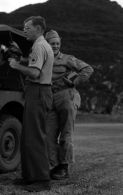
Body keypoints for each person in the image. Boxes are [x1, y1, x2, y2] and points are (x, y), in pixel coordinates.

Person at [9, 16, 54, 192]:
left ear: (38, 29)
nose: (24, 30)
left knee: (35, 137)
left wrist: (15, 65)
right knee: (28, 136)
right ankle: (29, 177)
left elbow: (35, 73)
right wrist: (21, 60)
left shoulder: (40, 47)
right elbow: (35, 64)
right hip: (37, 92)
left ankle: (42, 179)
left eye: (27, 27)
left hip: (38, 91)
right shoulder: (40, 46)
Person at [45, 30, 94, 180]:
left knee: (66, 134)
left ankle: (64, 168)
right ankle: (55, 165)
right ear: (46, 43)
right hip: (50, 97)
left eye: (57, 43)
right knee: (48, 134)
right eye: (52, 43)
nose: (55, 46)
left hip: (67, 96)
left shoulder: (67, 59)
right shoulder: (43, 59)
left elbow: (88, 69)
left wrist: (75, 81)